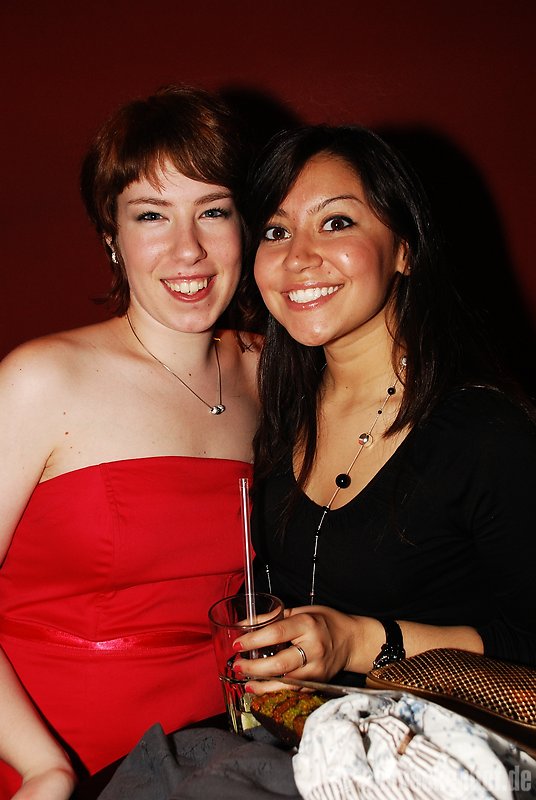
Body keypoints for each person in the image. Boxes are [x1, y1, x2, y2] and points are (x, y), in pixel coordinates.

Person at [0, 85, 259, 798]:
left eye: (213, 211)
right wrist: (42, 766)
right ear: (111, 237)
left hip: (217, 752)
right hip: (45, 755)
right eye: (151, 215)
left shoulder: (273, 374)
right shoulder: (40, 379)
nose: (188, 248)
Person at [230, 124, 536, 693]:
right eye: (275, 230)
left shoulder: (486, 433)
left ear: (405, 249)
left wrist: (359, 641)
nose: (298, 256)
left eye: (336, 222)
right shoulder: (276, 411)